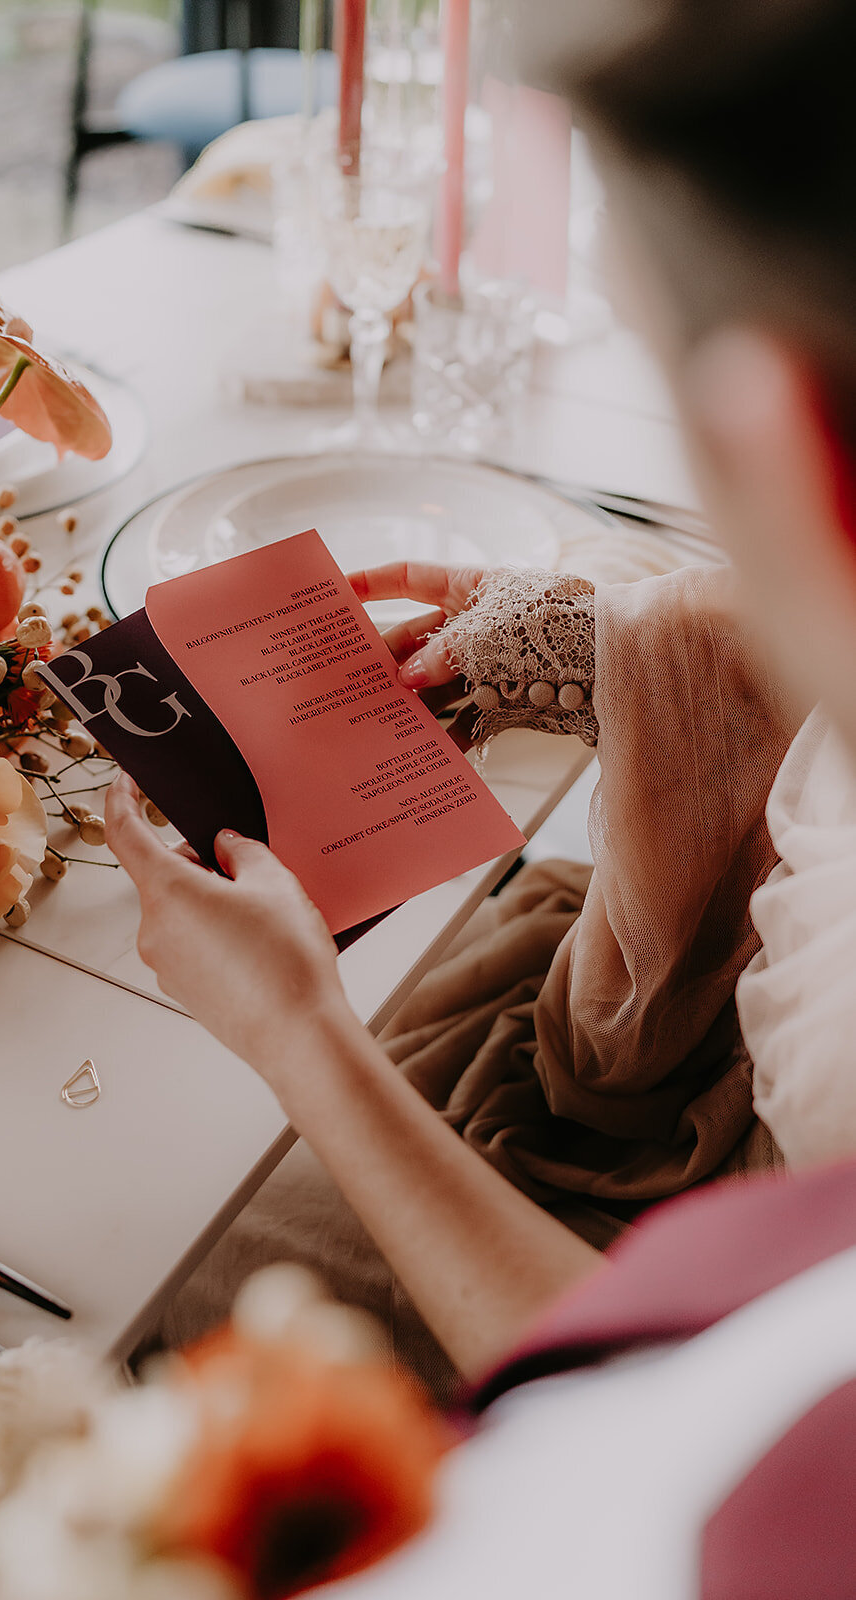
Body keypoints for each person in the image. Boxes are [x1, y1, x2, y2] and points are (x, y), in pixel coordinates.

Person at [108, 0, 856, 1401]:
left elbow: (678, 1417)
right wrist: (593, 642)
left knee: (151, 1273)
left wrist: (297, 1034)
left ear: (785, 437)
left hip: (690, 1333)